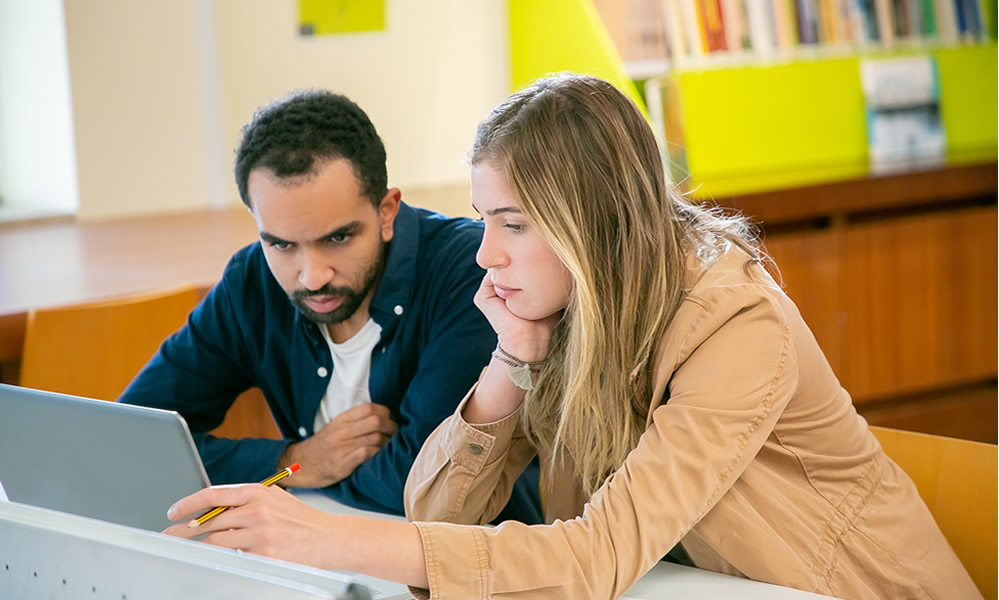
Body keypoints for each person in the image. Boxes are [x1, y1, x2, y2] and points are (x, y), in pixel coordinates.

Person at [163, 75, 981, 600]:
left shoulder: (734, 322)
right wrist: (511, 360)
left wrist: (341, 536)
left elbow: (595, 557)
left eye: (512, 224)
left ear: (590, 224)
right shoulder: (557, 313)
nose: (484, 254)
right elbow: (440, 511)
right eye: (485, 221)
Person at [120, 89, 542, 524]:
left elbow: (424, 485)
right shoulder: (252, 280)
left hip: (469, 566)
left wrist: (304, 475)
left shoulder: (470, 272)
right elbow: (133, 436)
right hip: (318, 556)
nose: (312, 275)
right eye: (282, 244)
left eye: (337, 238)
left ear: (386, 211)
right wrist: (296, 460)